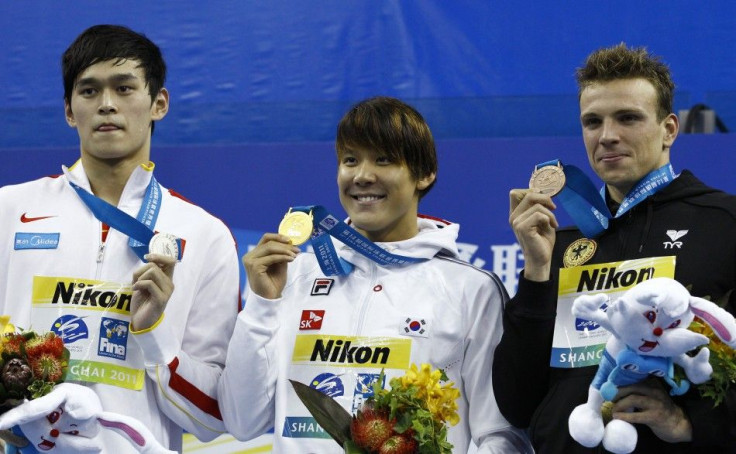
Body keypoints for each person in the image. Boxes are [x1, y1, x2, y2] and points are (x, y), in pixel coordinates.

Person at [218, 96, 532, 453]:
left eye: (383, 160)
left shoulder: (471, 290)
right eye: (350, 160)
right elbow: (241, 422)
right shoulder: (294, 276)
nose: (362, 176)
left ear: (425, 174)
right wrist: (261, 305)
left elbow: (502, 437)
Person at [0, 25, 240, 452]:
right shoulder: (9, 211)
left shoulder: (204, 235)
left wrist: (156, 334)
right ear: (70, 111)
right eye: (89, 91)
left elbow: (214, 417)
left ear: (158, 104)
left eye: (124, 88)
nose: (107, 104)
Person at [493, 43, 736, 453]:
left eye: (628, 118)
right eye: (593, 122)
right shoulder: (563, 243)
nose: (607, 136)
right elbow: (517, 403)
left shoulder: (723, 223)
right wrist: (536, 272)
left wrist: (690, 421)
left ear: (669, 129)